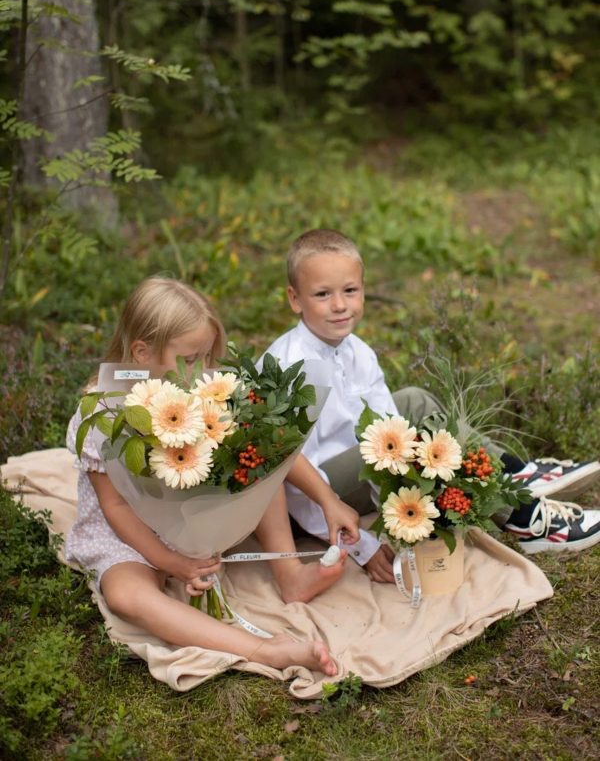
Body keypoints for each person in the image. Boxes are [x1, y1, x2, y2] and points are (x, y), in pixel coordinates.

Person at [262, 229, 600, 584]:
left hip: (361, 468)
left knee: (415, 403)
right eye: (322, 294)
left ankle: (513, 471)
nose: (340, 305)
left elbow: (392, 424)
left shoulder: (356, 350)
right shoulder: (289, 366)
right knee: (402, 439)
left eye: (350, 290)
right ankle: (525, 518)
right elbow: (288, 477)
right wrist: (361, 544)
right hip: (320, 492)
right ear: (295, 299)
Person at [65, 276, 360, 676]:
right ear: (141, 352)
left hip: (192, 512)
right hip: (127, 535)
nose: (203, 369)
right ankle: (262, 649)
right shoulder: (105, 411)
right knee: (126, 596)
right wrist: (172, 563)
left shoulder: (204, 388)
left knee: (255, 459)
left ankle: (289, 575)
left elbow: (275, 446)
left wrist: (329, 499)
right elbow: (115, 506)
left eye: (208, 356)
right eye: (191, 358)